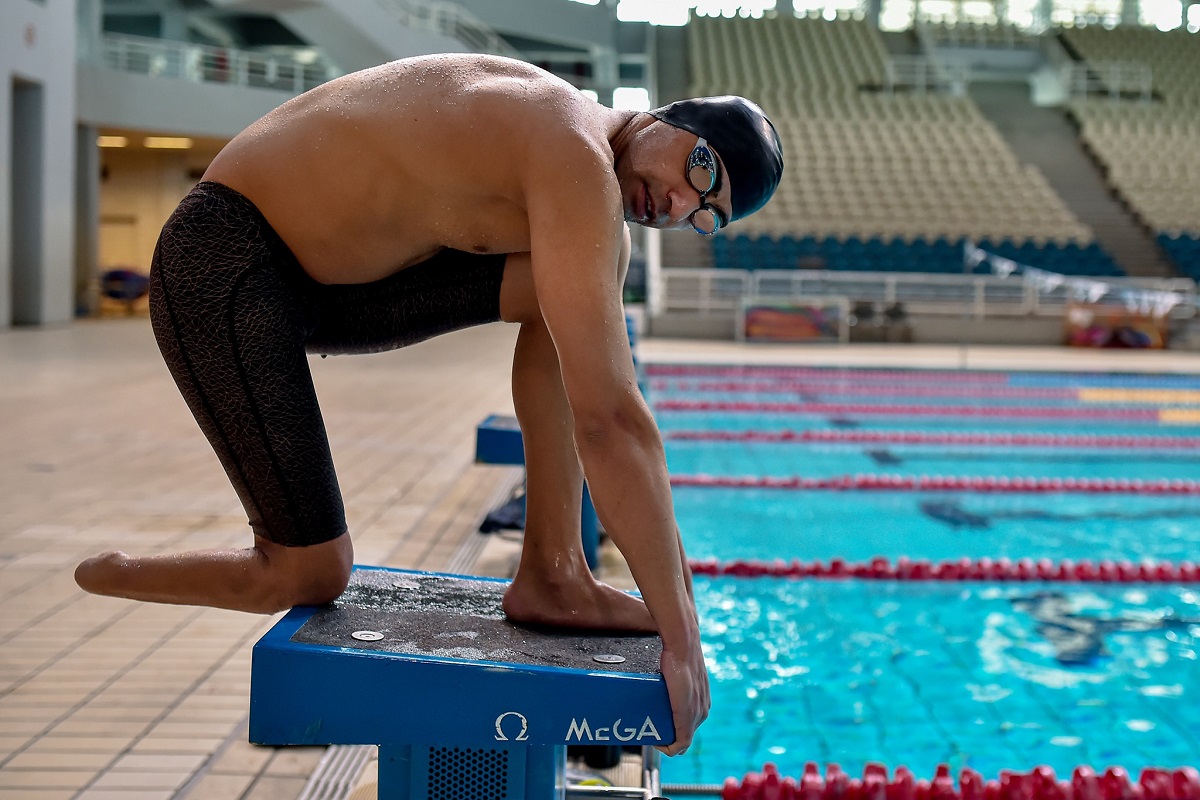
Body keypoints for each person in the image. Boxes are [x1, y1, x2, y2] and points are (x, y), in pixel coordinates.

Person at [74, 52, 784, 755]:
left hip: (331, 289)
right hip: (226, 261)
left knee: (573, 281)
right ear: (668, 117)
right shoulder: (571, 148)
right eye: (701, 172)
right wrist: (683, 641)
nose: (683, 205)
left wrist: (678, 605)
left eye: (707, 215)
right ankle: (117, 569)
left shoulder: (578, 156)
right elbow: (612, 420)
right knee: (308, 572)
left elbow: (603, 397)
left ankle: (554, 568)